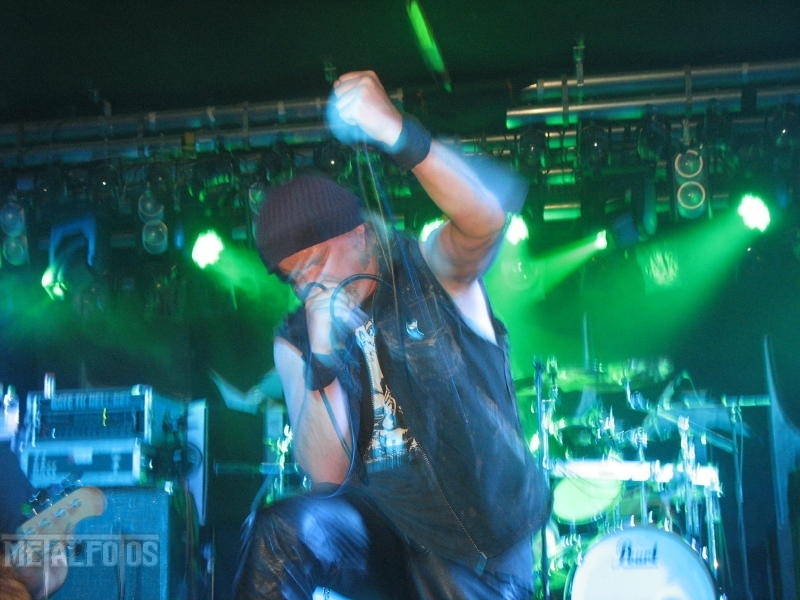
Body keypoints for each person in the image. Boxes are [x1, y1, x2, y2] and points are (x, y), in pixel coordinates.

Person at [233, 70, 550, 600]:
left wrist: (397, 132)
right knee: (280, 532)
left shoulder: (429, 270)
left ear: (359, 235)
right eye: (294, 277)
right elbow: (327, 471)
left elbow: (484, 222)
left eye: (315, 262)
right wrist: (323, 354)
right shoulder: (296, 337)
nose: (308, 284)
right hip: (382, 535)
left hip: (477, 539)